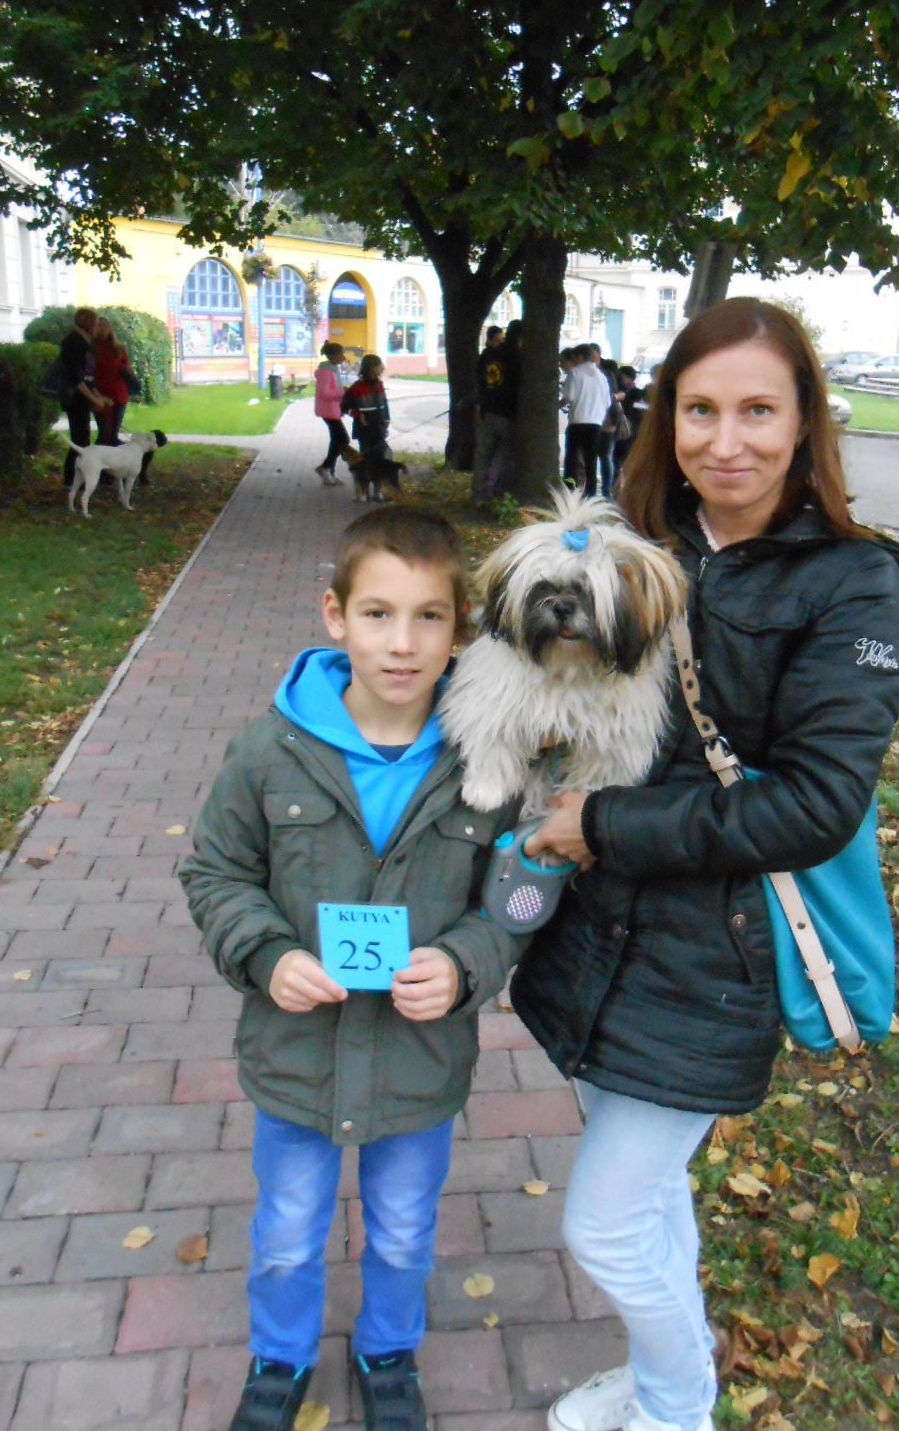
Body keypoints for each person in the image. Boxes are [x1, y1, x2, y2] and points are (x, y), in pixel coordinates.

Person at [511, 297, 899, 1431]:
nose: (725, 441)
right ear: (666, 417)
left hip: (717, 962)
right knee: (647, 1199)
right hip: (595, 937)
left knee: (603, 1224)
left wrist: (605, 825)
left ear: (805, 423)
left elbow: (817, 805)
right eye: (699, 410)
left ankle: (678, 1408)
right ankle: (664, 1384)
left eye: (757, 411)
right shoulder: (630, 542)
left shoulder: (852, 581)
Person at [181, 507, 520, 1431]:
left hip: (418, 1059)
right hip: (297, 1053)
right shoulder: (269, 751)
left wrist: (465, 963)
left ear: (460, 629)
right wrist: (267, 954)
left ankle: (387, 1350)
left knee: (404, 1231)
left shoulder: (488, 764)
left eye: (429, 617)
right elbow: (214, 870)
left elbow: (517, 899)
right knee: (287, 1234)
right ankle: (280, 1355)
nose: (402, 644)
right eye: (377, 614)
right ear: (335, 616)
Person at [58, 308, 111, 488]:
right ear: (88, 323)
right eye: (95, 323)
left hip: (82, 399)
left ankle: (77, 481)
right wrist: (94, 399)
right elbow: (76, 378)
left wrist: (99, 396)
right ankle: (70, 481)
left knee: (83, 439)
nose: (97, 327)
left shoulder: (84, 342)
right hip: (75, 399)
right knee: (79, 441)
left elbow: (88, 378)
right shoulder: (73, 342)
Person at [471, 318, 521, 503]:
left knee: (483, 456)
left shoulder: (489, 355)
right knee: (506, 456)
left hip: (487, 411)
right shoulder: (518, 357)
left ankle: (479, 495)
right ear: (520, 337)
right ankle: (501, 494)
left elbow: (479, 380)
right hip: (508, 413)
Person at [561, 344, 612, 497]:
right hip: (595, 423)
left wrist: (559, 404)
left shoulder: (575, 373)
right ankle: (591, 492)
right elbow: (608, 402)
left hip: (577, 421)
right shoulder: (602, 377)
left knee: (572, 458)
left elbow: (568, 397)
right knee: (591, 459)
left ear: (579, 357)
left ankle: (570, 489)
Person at [342, 354, 394, 500]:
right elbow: (344, 407)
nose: (382, 368)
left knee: (380, 459)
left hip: (379, 428)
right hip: (364, 430)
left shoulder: (379, 385)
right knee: (366, 461)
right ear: (371, 367)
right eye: (379, 365)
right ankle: (364, 491)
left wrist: (387, 418)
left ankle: (377, 491)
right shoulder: (357, 387)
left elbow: (384, 403)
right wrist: (357, 414)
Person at [91, 316, 135, 447]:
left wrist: (127, 370)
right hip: (100, 395)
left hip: (119, 394)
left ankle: (112, 458)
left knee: (113, 435)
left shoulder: (118, 348)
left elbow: (128, 368)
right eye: (99, 325)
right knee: (104, 434)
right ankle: (97, 457)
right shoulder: (91, 348)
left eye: (105, 325)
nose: (102, 328)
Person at [313, 340, 351, 485]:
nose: (343, 357)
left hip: (333, 410)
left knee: (337, 440)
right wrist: (342, 392)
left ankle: (329, 472)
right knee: (343, 440)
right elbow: (323, 393)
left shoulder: (333, 370)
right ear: (333, 356)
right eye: (341, 354)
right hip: (328, 411)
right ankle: (325, 467)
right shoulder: (326, 372)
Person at [596, 356, 622, 499]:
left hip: (603, 424)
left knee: (604, 457)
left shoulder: (605, 383)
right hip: (607, 425)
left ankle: (606, 490)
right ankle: (606, 490)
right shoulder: (612, 387)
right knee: (606, 458)